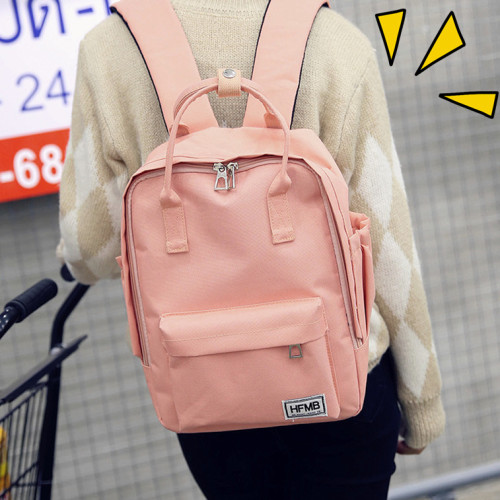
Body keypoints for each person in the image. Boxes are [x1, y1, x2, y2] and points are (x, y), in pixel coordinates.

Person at [58, 0, 445, 498]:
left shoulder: (108, 49)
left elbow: (89, 247)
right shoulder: (335, 40)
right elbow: (390, 248)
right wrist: (421, 400)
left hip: (210, 396)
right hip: (342, 384)